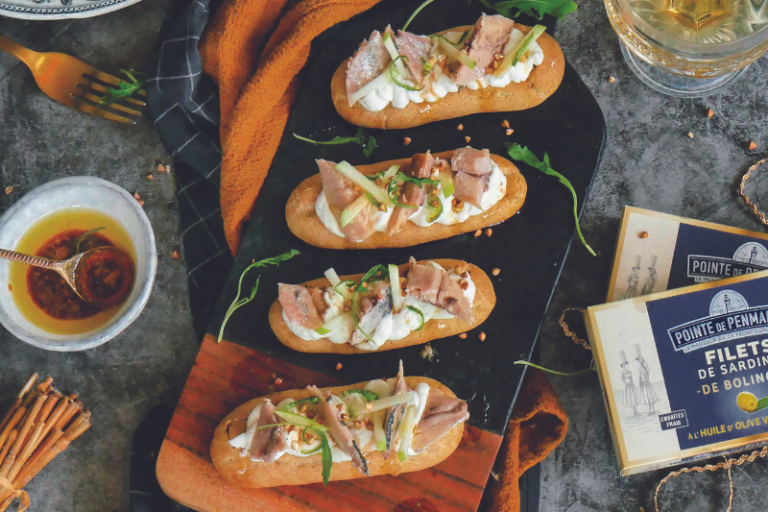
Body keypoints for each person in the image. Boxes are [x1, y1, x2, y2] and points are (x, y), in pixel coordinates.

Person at [635, 345, 659, 415]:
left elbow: (646, 372)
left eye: (638, 360)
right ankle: (650, 411)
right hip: (644, 384)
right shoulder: (640, 368)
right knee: (648, 399)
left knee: (650, 398)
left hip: (646, 384)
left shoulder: (642, 367)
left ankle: (651, 411)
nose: (638, 362)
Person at [619, 350, 639, 416]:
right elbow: (621, 379)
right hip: (627, 386)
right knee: (630, 398)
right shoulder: (622, 372)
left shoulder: (630, 370)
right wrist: (625, 382)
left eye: (627, 365)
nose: (627, 366)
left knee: (634, 397)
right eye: (626, 365)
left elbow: (632, 378)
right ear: (623, 366)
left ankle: (636, 411)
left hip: (632, 385)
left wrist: (632, 383)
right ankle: (633, 411)